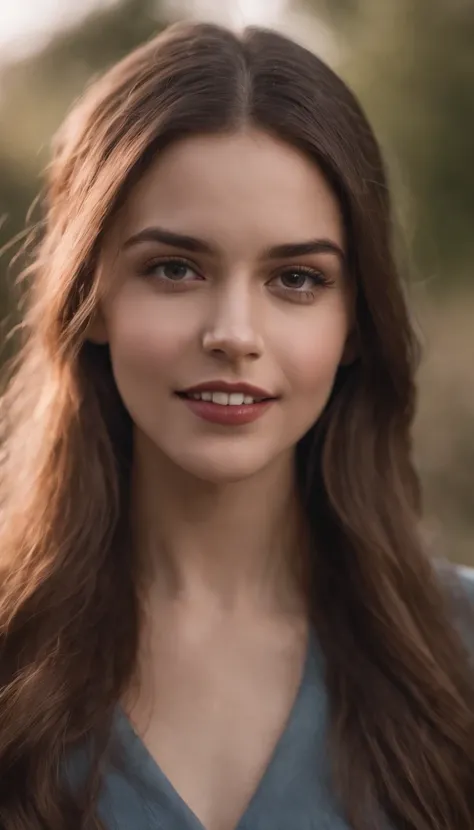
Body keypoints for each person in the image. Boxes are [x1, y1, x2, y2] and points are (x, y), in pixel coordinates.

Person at [0, 19, 472, 830]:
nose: (234, 334)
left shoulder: (460, 653)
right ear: (91, 297)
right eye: (174, 268)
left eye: (295, 278)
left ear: (355, 321)